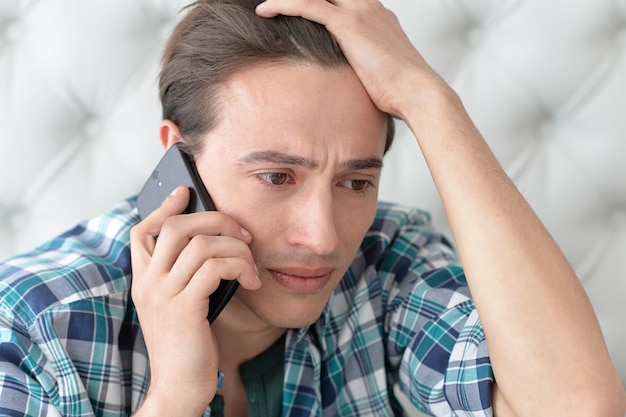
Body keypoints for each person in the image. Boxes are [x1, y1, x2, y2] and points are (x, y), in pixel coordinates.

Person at [1, 0, 624, 416]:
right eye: (277, 176)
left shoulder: (389, 265)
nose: (323, 237)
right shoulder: (30, 328)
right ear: (176, 155)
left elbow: (578, 407)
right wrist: (174, 397)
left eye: (356, 182)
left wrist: (429, 100)